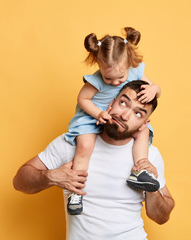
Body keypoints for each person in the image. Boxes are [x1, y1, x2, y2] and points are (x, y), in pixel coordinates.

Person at [13, 81, 175, 240]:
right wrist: (49, 176)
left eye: (138, 113)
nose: (125, 115)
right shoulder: (73, 143)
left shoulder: (149, 156)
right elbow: (19, 182)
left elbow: (161, 217)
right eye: (123, 103)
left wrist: (153, 189)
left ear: (144, 124)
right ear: (111, 102)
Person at [65, 27, 162, 214]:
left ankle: (141, 171)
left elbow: (156, 90)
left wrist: (154, 89)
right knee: (84, 147)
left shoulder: (134, 72)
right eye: (109, 78)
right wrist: (98, 114)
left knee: (144, 131)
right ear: (99, 66)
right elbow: (82, 100)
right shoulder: (96, 81)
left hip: (116, 116)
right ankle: (75, 192)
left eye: (121, 78)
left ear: (129, 65)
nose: (116, 83)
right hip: (92, 115)